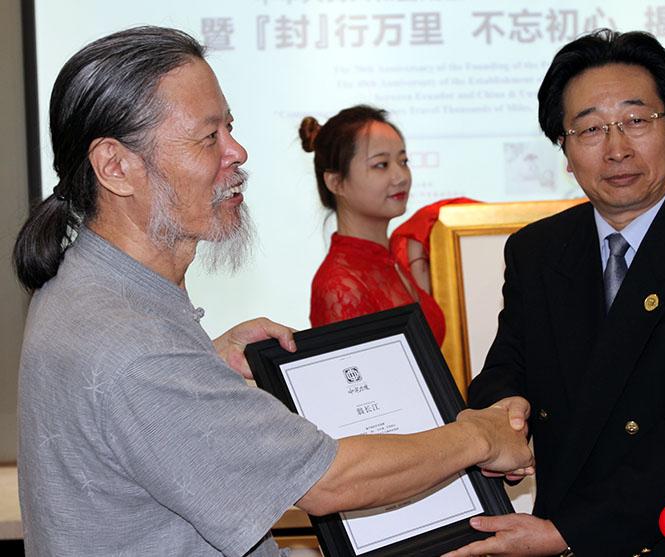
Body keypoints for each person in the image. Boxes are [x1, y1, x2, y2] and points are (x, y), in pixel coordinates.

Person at [13, 27, 534, 557]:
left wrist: (203, 364)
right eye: (207, 137)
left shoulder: (91, 291)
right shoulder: (133, 342)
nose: (237, 152)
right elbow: (331, 483)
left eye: (230, 128)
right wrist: (481, 436)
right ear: (116, 166)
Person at [447, 29, 665, 557]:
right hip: (566, 524)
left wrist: (569, 532)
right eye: (589, 129)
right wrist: (504, 414)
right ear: (563, 151)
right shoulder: (537, 249)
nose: (616, 149)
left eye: (637, 120)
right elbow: (510, 363)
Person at [300, 106, 448, 344]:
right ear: (336, 182)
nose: (401, 176)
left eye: (403, 161)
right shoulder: (340, 285)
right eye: (381, 165)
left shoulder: (391, 260)